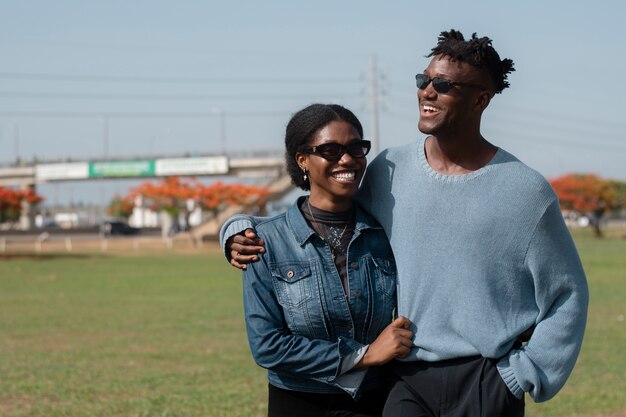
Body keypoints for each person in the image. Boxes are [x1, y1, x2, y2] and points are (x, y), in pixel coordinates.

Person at [223, 30, 589, 417]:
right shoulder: (389, 171)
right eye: (423, 80)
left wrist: (521, 375)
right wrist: (234, 228)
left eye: (443, 85)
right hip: (402, 380)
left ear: (480, 99)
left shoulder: (525, 190)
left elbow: (567, 293)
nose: (427, 92)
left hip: (487, 379)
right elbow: (320, 213)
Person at [230, 103, 413, 417]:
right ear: (302, 159)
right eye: (330, 150)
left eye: (357, 148)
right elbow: (267, 345)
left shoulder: (386, 234)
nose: (347, 159)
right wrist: (363, 356)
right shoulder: (265, 243)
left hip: (375, 401)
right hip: (298, 402)